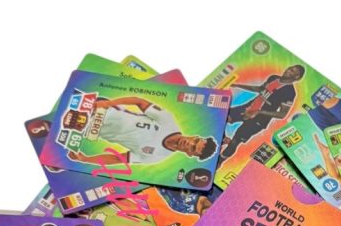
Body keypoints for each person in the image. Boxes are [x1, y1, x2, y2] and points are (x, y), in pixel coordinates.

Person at [66, 94, 216, 168]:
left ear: (190, 154)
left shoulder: (155, 157)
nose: (190, 143)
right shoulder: (167, 120)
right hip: (103, 109)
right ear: (194, 136)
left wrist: (85, 159)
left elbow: (118, 159)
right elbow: (139, 101)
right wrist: (108, 103)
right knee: (66, 102)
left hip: (90, 129)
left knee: (58, 123)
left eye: (193, 148)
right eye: (196, 140)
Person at [220, 65, 306, 160]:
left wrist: (259, 111)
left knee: (235, 140)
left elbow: (282, 114)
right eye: (290, 68)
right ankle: (222, 139)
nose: (288, 70)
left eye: (293, 71)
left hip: (260, 120)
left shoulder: (290, 92)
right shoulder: (274, 78)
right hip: (248, 107)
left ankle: (221, 160)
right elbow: (260, 89)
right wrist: (238, 85)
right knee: (221, 116)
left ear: (297, 77)